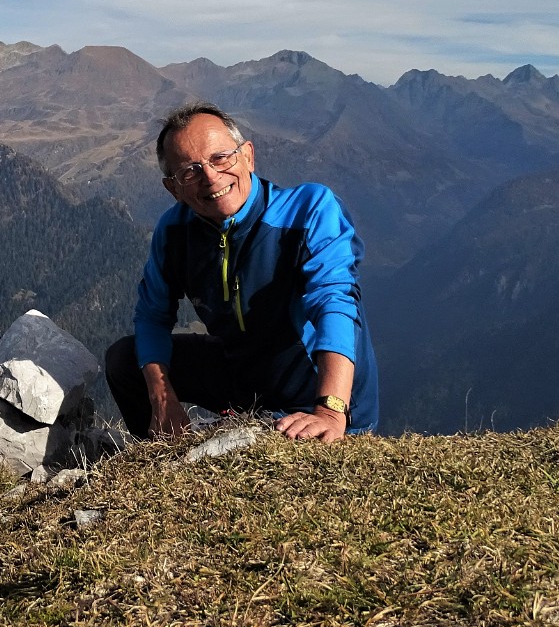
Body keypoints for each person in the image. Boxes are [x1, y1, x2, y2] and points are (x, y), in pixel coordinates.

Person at [105, 102, 379, 443]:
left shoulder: (310, 210)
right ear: (172, 188)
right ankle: (159, 452)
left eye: (221, 157)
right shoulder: (174, 231)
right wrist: (163, 399)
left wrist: (330, 410)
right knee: (124, 360)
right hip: (241, 374)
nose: (211, 176)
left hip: (311, 391)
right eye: (190, 171)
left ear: (247, 156)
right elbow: (151, 316)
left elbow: (334, 303)